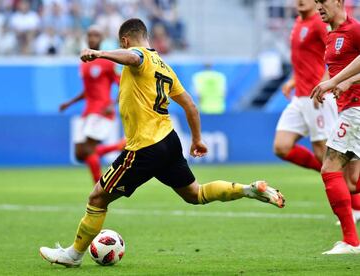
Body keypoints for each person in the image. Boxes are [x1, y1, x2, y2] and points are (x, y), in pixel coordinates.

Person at [39, 18, 285, 267]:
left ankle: (73, 255)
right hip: (169, 141)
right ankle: (247, 189)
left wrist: (99, 53)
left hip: (144, 147)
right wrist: (197, 139)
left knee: (97, 198)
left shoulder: (139, 57)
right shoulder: (165, 67)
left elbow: (134, 57)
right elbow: (190, 104)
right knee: (194, 193)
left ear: (124, 41)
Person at [274, 0, 360, 226]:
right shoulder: (298, 24)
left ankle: (352, 206)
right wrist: (293, 80)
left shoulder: (323, 25)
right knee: (281, 146)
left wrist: (329, 83)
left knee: (331, 159)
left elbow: (337, 62)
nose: (301, 1)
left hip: (318, 96)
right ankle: (338, 185)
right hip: (301, 96)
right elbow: (312, 59)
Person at [310, 0, 360, 254]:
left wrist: (339, 81)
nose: (319, 6)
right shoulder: (331, 36)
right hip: (347, 107)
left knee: (329, 167)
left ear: (339, 1)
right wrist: (327, 83)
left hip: (357, 108)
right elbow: (337, 71)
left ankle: (351, 242)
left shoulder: (354, 30)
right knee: (352, 182)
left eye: (323, 0)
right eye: (316, 1)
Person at [59, 25, 124, 184]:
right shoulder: (83, 63)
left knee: (88, 149)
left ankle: (98, 187)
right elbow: (87, 91)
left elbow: (124, 83)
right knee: (79, 154)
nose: (92, 38)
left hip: (102, 110)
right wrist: (69, 103)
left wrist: (113, 104)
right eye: (90, 35)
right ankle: (120, 146)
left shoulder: (108, 62)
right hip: (88, 110)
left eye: (96, 35)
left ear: (101, 39)